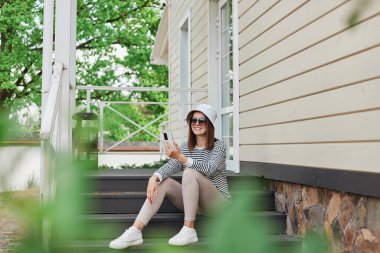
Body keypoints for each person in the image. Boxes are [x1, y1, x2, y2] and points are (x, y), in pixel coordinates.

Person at [109, 104, 231, 249]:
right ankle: (135, 231)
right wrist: (154, 177)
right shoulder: (186, 147)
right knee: (164, 182)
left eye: (202, 120)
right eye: (193, 120)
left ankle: (189, 228)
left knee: (190, 172)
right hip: (197, 205)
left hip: (218, 205)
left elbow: (210, 169)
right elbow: (172, 166)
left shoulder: (219, 146)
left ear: (209, 124)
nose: (196, 124)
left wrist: (182, 158)